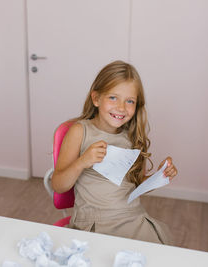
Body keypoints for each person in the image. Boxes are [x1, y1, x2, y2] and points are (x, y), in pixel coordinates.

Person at [51, 60, 178, 245]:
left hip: (133, 219)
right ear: (96, 99)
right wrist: (82, 162)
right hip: (94, 224)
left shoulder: (134, 137)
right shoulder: (80, 131)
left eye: (129, 101)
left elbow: (135, 186)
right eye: (113, 98)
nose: (121, 107)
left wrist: (159, 176)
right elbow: (58, 185)